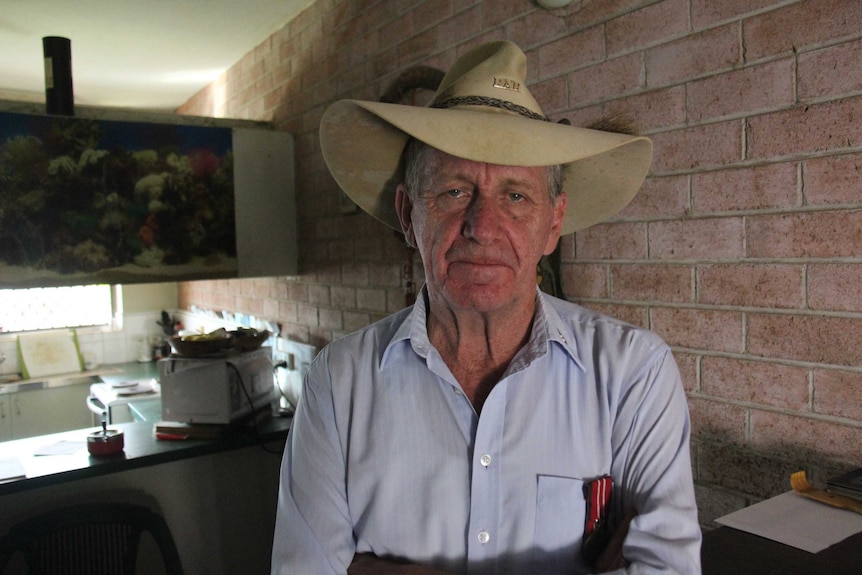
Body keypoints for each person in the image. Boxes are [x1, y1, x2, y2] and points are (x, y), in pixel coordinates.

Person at [271, 41, 701, 575]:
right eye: (454, 192)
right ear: (408, 215)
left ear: (554, 222)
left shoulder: (634, 373)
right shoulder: (338, 383)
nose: (483, 227)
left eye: (516, 197)